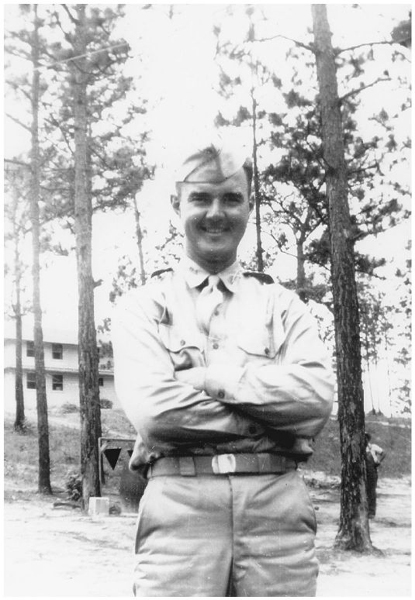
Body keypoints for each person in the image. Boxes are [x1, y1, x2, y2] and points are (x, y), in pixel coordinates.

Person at [112, 136, 334, 597]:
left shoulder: (283, 305)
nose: (217, 213)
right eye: (201, 198)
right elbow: (156, 413)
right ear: (177, 205)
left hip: (278, 518)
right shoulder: (142, 306)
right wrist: (273, 418)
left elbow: (314, 402)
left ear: (250, 207)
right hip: (179, 517)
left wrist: (211, 379)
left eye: (231, 198)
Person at [365, 432, 386, 519]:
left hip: (372, 471)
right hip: (361, 472)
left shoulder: (373, 447)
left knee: (371, 491)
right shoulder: (358, 448)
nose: (364, 440)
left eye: (366, 438)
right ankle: (363, 510)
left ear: (368, 439)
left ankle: (371, 512)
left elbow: (383, 453)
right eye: (362, 438)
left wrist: (379, 461)